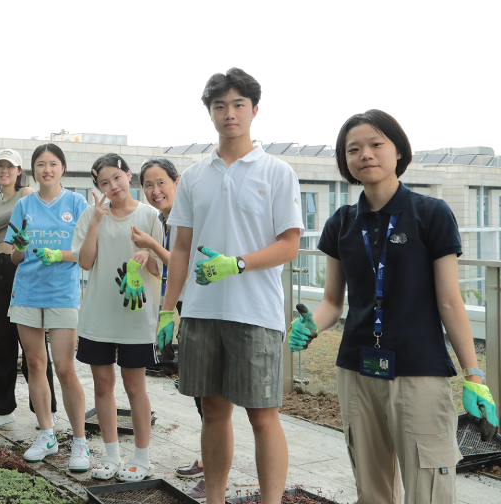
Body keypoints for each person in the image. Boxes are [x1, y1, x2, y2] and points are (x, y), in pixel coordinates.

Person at [294, 109, 497, 503]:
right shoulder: (341, 222)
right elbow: (333, 302)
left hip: (418, 371)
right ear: (345, 161)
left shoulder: (431, 213)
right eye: (354, 149)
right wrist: (310, 326)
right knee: (371, 487)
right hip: (357, 369)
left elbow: (450, 301)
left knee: (429, 488)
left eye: (375, 144)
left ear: (399, 151)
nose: (365, 154)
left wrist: (474, 374)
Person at [158, 68, 304, 504]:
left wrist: (237, 264)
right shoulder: (195, 175)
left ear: (254, 110)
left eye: (239, 104)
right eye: (220, 106)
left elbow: (290, 246)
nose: (229, 113)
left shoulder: (277, 172)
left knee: (264, 416)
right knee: (214, 413)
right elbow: (181, 248)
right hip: (201, 311)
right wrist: (169, 309)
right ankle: (215, 499)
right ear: (210, 113)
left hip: (254, 311)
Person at [73, 154, 163, 482]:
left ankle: (142, 458)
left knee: (135, 386)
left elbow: (161, 267)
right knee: (102, 383)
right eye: (103, 184)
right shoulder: (91, 214)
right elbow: (85, 262)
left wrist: (146, 253)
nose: (113, 187)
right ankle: (111, 455)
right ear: (97, 189)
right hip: (99, 314)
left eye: (117, 178)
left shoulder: (151, 214)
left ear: (128, 175)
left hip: (136, 317)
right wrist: (96, 220)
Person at [8, 143, 90, 472]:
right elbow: (14, 256)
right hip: (26, 291)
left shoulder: (77, 202)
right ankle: (46, 434)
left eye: (53, 164)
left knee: (66, 368)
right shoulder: (24, 204)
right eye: (41, 164)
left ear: (63, 169)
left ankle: (81, 441)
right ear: (33, 170)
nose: (47, 169)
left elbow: (85, 253)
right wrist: (19, 246)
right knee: (35, 364)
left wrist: (60, 255)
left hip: (62, 293)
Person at [0, 148, 59, 428]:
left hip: (23, 267)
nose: (4, 170)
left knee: (32, 343)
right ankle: (2, 409)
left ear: (19, 171)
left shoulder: (27, 194)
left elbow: (40, 224)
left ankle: (45, 410)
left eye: (10, 166)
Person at [133, 158, 205, 487]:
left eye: (161, 182)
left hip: (203, 310)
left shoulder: (184, 217)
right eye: (148, 185)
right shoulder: (164, 218)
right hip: (186, 308)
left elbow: (181, 264)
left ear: (177, 182)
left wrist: (151, 246)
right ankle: (208, 459)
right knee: (201, 395)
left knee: (210, 398)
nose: (155, 190)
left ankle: (212, 464)